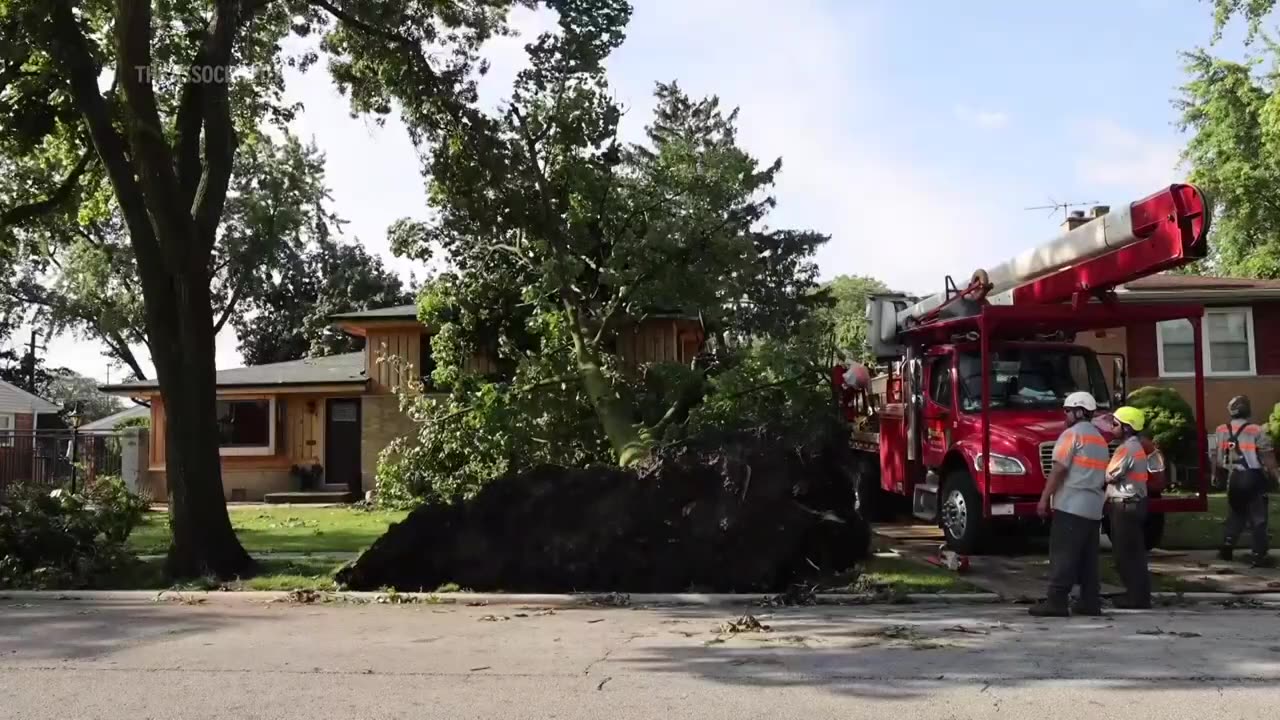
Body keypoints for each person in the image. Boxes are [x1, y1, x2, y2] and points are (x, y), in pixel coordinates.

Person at [1030, 391, 1109, 617]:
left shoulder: (1071, 435)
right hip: (1093, 508)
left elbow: (1058, 470)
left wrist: (1044, 498)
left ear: (1078, 411)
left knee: (1063, 555)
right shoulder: (1100, 439)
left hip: (1071, 505)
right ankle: (1089, 601)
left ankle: (1056, 600)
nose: (1065, 415)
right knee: (1088, 559)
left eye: (1067, 411)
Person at [1215, 395, 1276, 569]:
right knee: (1258, 518)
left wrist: (1215, 475)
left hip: (1233, 478)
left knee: (1236, 513)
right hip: (1253, 477)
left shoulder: (1221, 430)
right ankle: (1259, 555)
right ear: (1248, 409)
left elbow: (1216, 457)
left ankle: (1227, 547)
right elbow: (1267, 456)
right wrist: (1276, 475)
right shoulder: (1256, 430)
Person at [1105, 406, 1152, 609]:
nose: (1111, 427)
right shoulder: (1136, 446)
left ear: (1126, 428)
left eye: (1115, 424)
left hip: (1126, 505)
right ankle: (1138, 596)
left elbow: (1110, 475)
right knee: (1134, 553)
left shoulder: (1125, 449)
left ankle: (1135, 599)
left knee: (1126, 555)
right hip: (1134, 504)